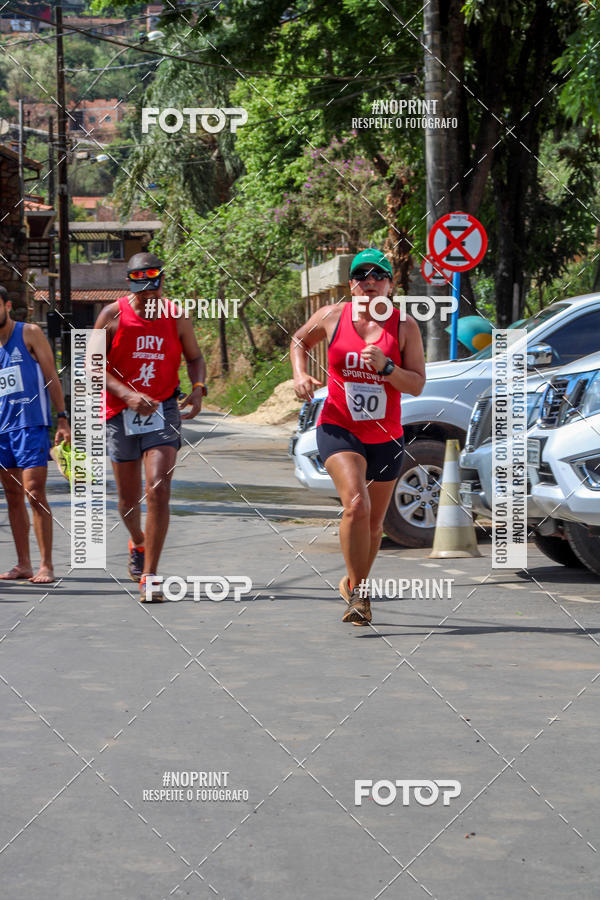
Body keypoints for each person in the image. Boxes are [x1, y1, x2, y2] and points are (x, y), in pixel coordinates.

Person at [290, 249, 426, 625]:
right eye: (360, 276)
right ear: (350, 285)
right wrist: (300, 375)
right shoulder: (332, 317)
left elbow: (416, 384)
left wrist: (387, 368)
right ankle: (361, 597)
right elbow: (299, 341)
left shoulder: (404, 327)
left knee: (374, 525)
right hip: (338, 426)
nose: (369, 282)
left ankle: (352, 582)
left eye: (378, 276)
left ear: (390, 286)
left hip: (385, 434)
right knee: (356, 504)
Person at [94, 252, 207, 602]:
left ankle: (151, 576)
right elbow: (93, 366)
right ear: (130, 284)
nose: (148, 296)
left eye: (153, 288)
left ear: (161, 283)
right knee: (127, 502)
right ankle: (138, 542)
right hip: (119, 413)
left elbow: (195, 357)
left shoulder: (176, 316)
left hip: (163, 409)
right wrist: (126, 395)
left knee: (157, 487)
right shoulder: (111, 316)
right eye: (140, 289)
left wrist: (199, 388)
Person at [0, 285, 71, 583]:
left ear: (6, 305)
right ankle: (23, 564)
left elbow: (51, 376)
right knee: (13, 496)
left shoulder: (29, 333)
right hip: (2, 432)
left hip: (31, 425)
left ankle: (46, 565)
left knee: (34, 492)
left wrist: (62, 418)